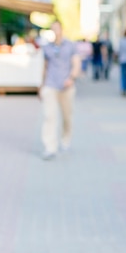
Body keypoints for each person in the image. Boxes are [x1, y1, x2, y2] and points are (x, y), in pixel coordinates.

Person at [39, 19, 81, 160]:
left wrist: (71, 78)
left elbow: (76, 64)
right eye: (53, 29)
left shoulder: (70, 46)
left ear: (61, 29)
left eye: (57, 28)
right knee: (49, 116)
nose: (55, 31)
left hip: (66, 86)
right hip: (51, 84)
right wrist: (41, 85)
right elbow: (44, 67)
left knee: (67, 117)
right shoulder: (47, 47)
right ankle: (50, 147)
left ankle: (65, 140)